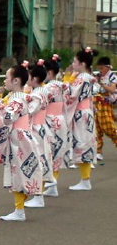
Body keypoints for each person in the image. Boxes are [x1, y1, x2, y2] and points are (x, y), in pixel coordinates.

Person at [0, 63, 43, 222]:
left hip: (19, 138)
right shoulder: (22, 97)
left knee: (18, 171)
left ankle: (19, 210)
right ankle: (20, 207)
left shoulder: (16, 99)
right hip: (23, 135)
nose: (5, 81)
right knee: (21, 171)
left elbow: (8, 118)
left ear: (16, 80)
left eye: (7, 78)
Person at [65, 47, 99, 191]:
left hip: (81, 114)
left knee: (81, 143)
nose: (73, 64)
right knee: (85, 142)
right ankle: (85, 178)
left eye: (75, 61)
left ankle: (85, 180)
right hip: (87, 112)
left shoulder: (81, 78)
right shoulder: (90, 77)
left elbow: (71, 95)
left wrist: (66, 81)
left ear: (82, 64)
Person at [24, 60, 54, 209]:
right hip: (41, 127)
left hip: (36, 129)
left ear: (35, 79)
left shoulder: (36, 94)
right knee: (41, 158)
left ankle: (38, 195)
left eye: (29, 77)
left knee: (37, 159)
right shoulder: (43, 90)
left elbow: (30, 111)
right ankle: (38, 192)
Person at [43, 55, 72, 197]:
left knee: (47, 152)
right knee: (57, 152)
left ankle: (49, 183)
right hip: (61, 119)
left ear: (49, 73)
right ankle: (53, 183)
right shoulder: (63, 85)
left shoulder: (47, 88)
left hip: (49, 120)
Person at [93, 56, 117, 162]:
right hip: (97, 103)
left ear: (107, 67)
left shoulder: (112, 76)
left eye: (102, 68)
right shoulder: (98, 76)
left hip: (106, 104)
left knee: (109, 127)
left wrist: (101, 83)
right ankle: (98, 152)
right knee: (97, 129)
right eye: (99, 68)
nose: (100, 70)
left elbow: (112, 89)